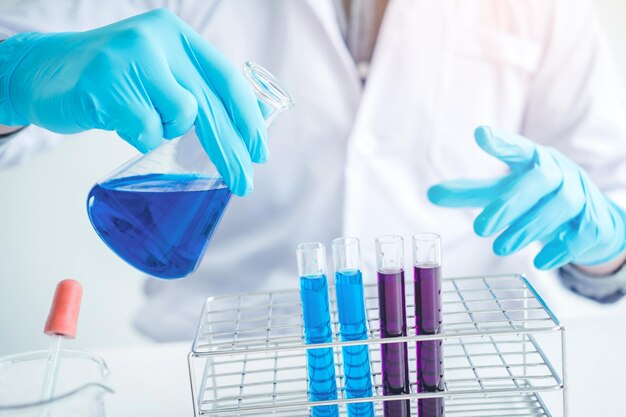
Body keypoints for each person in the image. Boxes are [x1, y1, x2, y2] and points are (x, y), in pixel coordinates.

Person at [1, 0, 626, 341]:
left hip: (459, 371)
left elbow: (611, 196)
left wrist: (606, 247)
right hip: (223, 369)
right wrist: (19, 76)